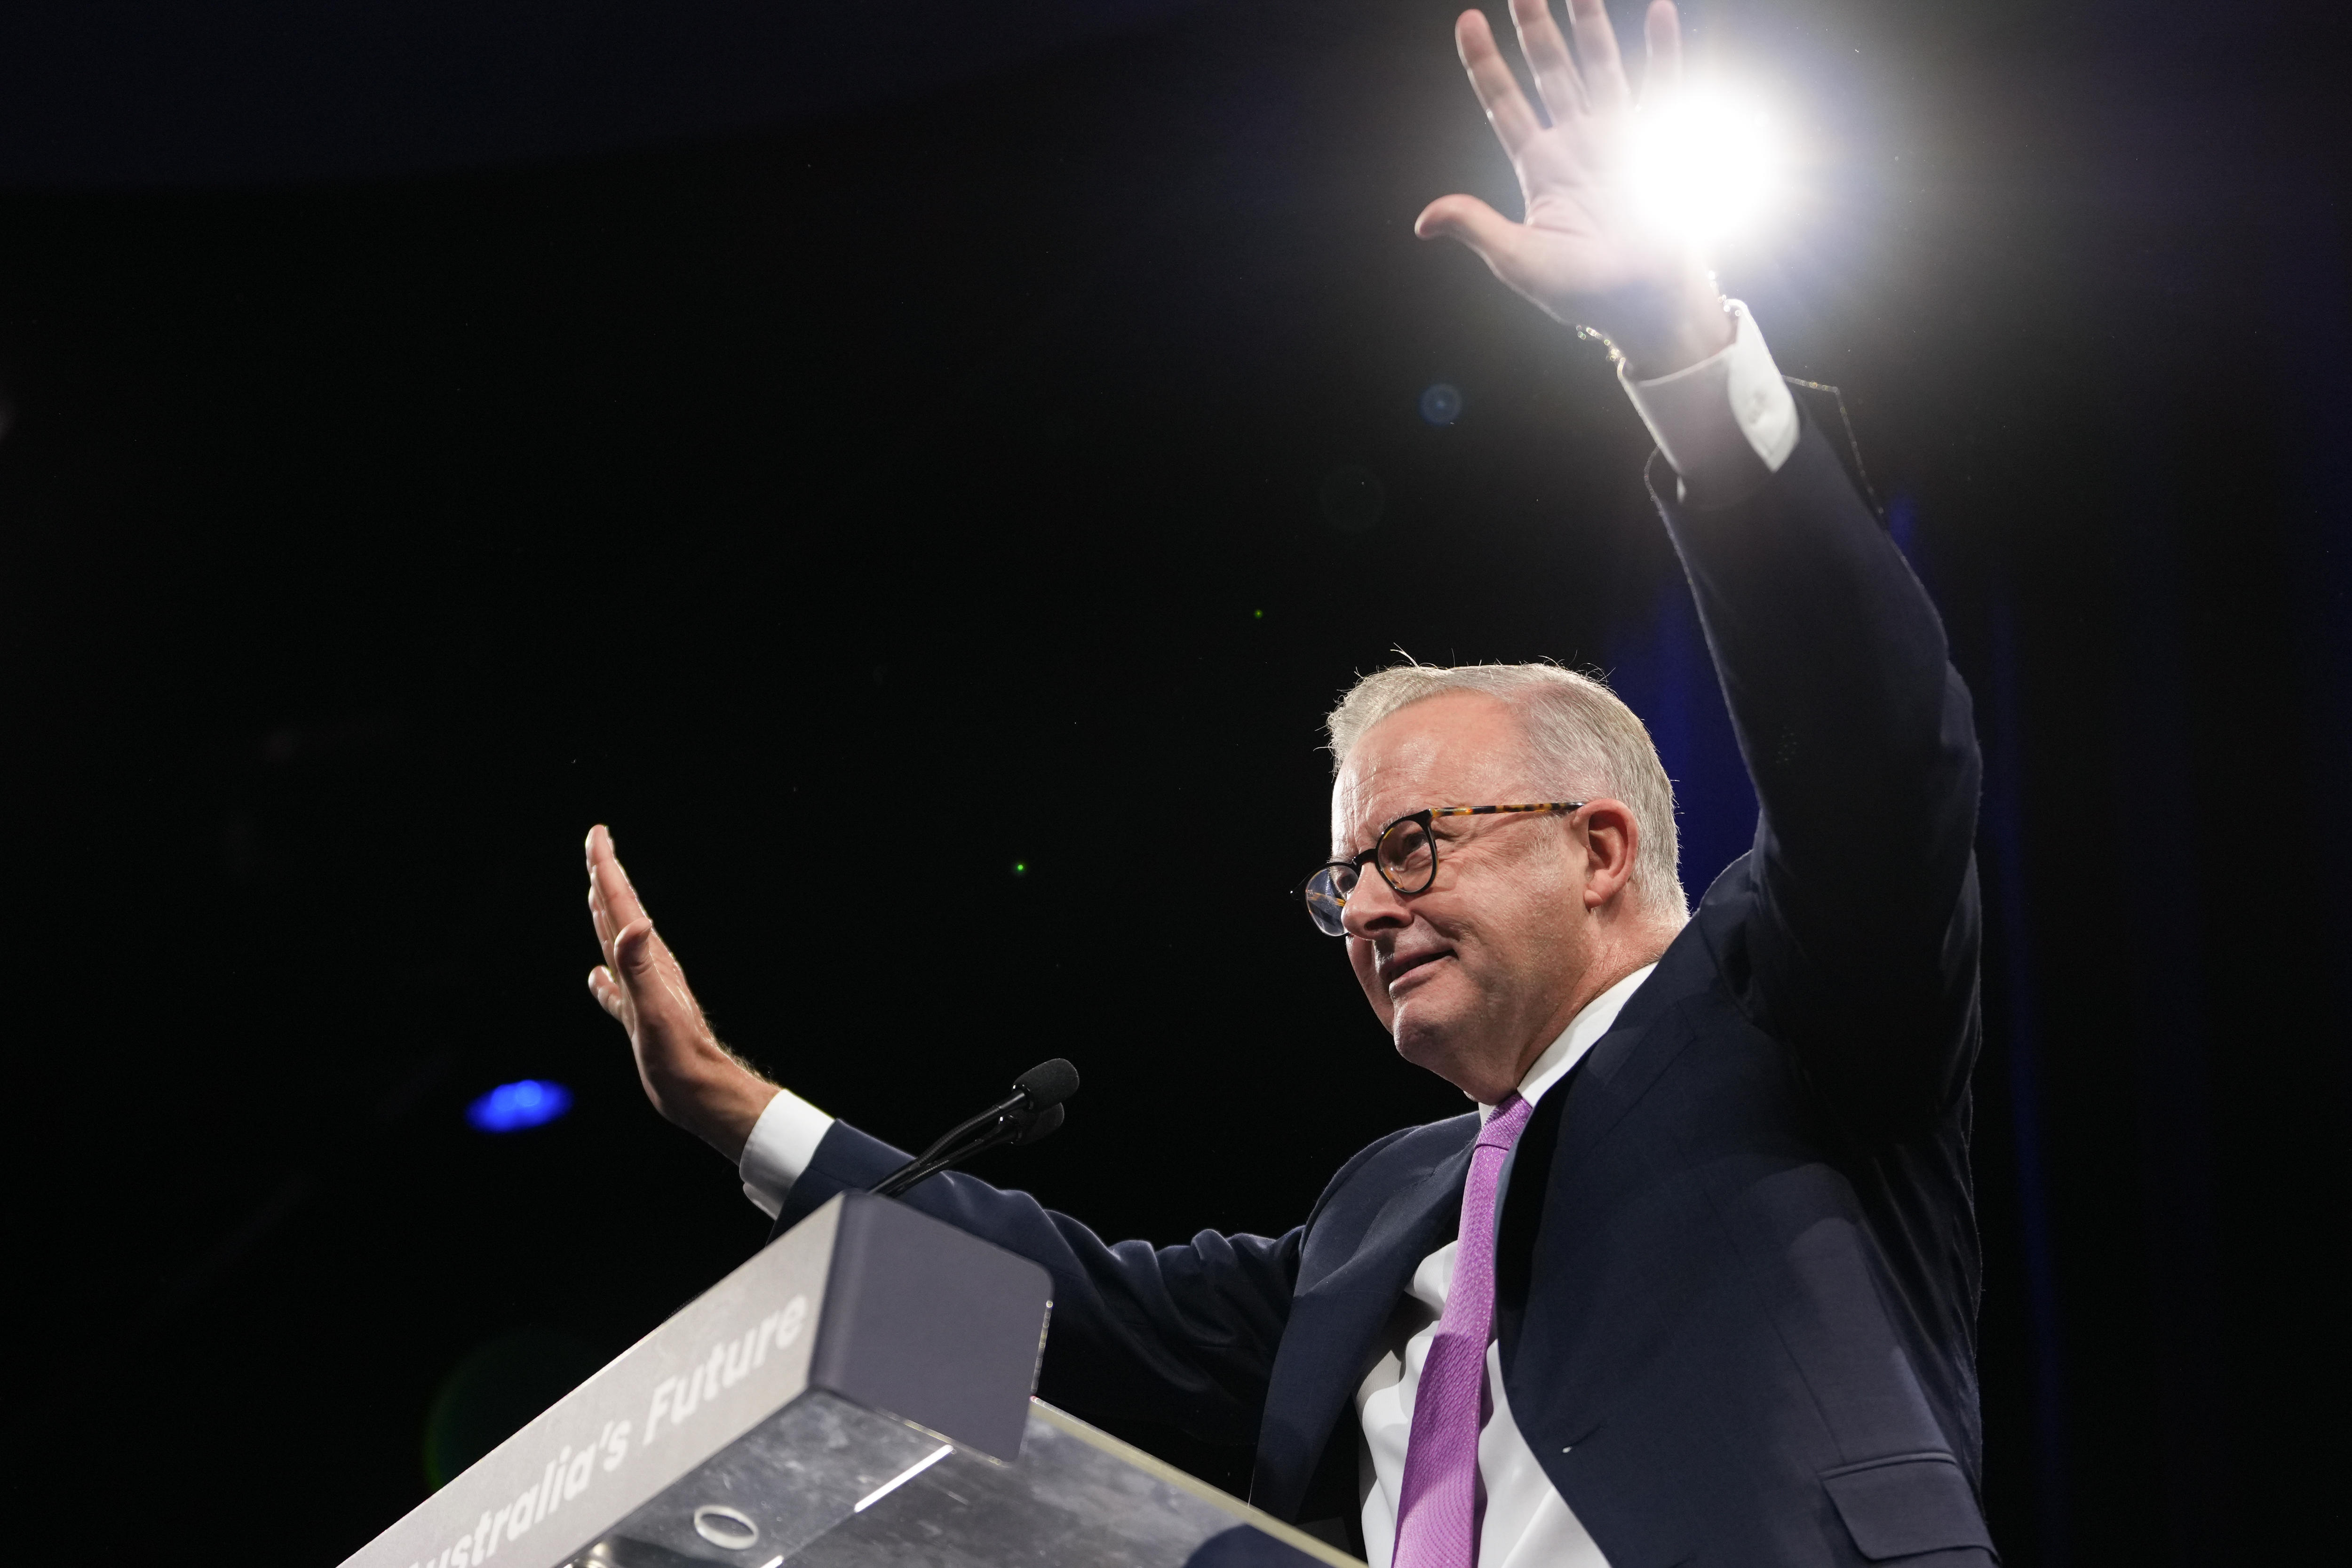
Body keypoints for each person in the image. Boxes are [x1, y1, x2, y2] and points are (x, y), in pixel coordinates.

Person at [583, 3, 1993, 1564]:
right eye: (1348, 878)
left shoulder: (1785, 1018)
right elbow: (1075, 1312)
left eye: (1415, 844)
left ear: (1599, 848)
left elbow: (1870, 742)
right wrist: (732, 1106)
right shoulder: (1383, 1208)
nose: (1369, 911)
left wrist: (1679, 349)